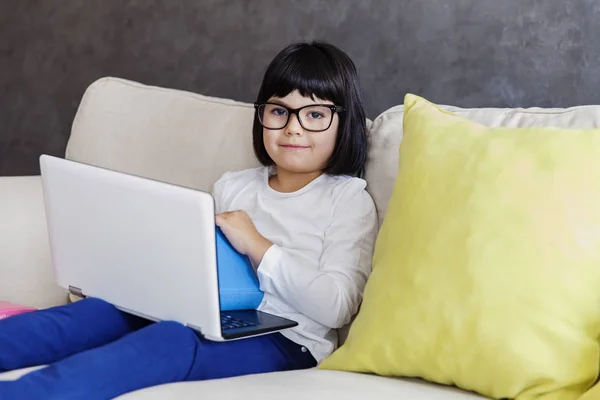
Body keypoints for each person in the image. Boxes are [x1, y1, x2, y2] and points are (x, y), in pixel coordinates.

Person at [0, 41, 378, 399]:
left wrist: (258, 245)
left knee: (170, 342)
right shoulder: (234, 186)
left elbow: (337, 307)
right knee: (99, 312)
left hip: (287, 342)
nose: (293, 127)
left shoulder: (347, 199)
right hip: (204, 314)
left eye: (314, 115)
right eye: (279, 111)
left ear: (343, 124)